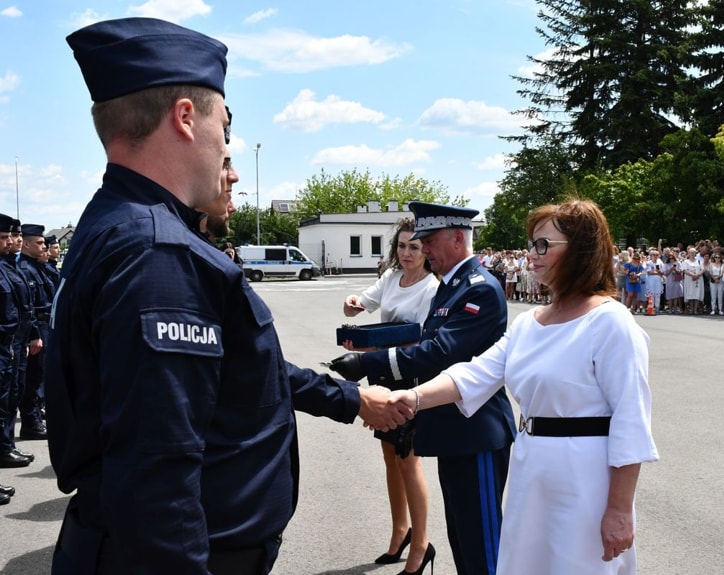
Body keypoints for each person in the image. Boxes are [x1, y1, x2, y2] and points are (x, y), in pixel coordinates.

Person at [48, 17, 409, 574]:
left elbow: (237, 367)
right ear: (186, 118)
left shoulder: (118, 224)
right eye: (226, 129)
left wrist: (350, 399)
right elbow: (157, 479)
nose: (227, 152)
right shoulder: (158, 252)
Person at [388, 198, 659, 575]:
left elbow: (631, 422)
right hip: (532, 471)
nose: (532, 254)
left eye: (544, 245)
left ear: (581, 251)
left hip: (584, 481)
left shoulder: (611, 323)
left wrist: (619, 509)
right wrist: (412, 398)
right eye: (532, 243)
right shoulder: (530, 323)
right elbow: (476, 373)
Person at [329, 202, 517, 575]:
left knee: (483, 548)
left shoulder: (479, 289)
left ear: (458, 238)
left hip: (476, 432)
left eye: (429, 241)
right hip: (453, 429)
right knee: (464, 541)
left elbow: (439, 352)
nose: (423, 249)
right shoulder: (451, 287)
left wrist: (368, 363)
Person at [340, 217, 438, 569]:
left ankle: (422, 543)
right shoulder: (391, 278)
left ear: (426, 249)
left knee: (408, 461)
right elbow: (360, 305)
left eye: (414, 246)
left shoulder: (432, 287)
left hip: (410, 377)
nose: (407, 252)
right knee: (389, 457)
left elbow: (427, 341)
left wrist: (376, 346)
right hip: (383, 374)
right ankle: (401, 530)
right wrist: (352, 305)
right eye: (402, 246)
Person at [0, 214, 30, 472]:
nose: (10, 241)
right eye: (4, 237)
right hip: (5, 343)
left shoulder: (7, 267)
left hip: (11, 343)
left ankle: (5, 446)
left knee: (10, 396)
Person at [17, 224, 53, 440]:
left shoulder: (39, 267)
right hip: (37, 328)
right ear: (27, 245)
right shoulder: (25, 269)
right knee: (32, 379)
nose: (44, 247)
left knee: (40, 377)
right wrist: (34, 334)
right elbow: (28, 306)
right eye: (39, 243)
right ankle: (30, 423)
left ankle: (35, 419)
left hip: (45, 327)